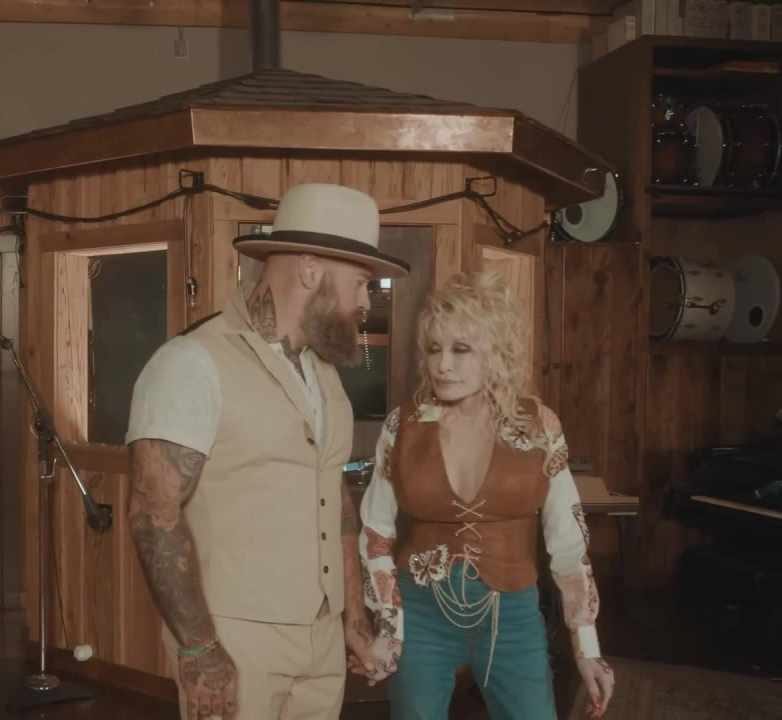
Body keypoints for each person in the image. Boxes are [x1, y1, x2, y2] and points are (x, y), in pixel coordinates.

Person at [124, 183, 410, 720]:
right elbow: (152, 514)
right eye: (360, 283)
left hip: (321, 638)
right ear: (310, 270)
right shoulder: (192, 363)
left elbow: (336, 501)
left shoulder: (324, 373)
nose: (365, 303)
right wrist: (199, 648)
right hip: (234, 640)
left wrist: (352, 619)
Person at [354, 271, 615, 719]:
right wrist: (388, 627)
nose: (443, 365)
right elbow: (376, 533)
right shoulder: (402, 426)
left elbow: (568, 544)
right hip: (420, 615)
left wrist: (586, 648)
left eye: (461, 349)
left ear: (496, 351)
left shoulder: (538, 426)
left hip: (511, 616)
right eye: (433, 349)